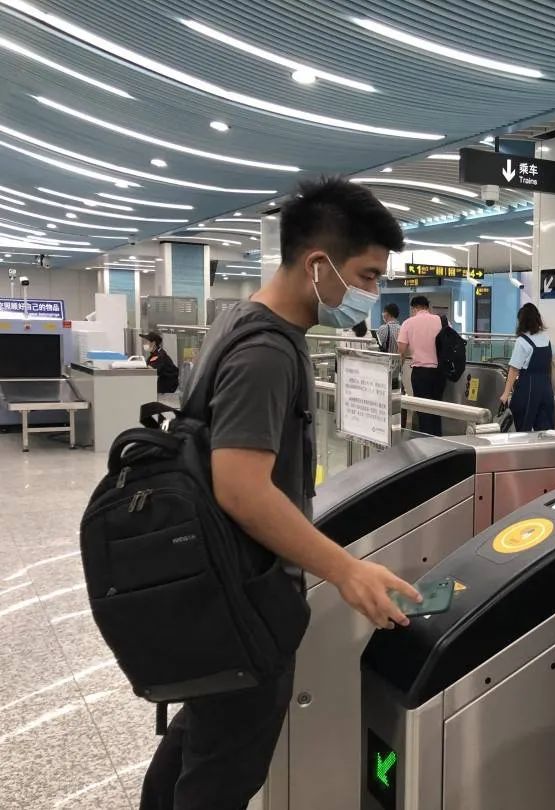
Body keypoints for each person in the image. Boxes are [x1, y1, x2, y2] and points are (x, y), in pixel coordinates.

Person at [140, 176, 421, 810]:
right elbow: (241, 489)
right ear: (319, 265)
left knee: (197, 749)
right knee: (220, 777)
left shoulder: (237, 321)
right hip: (245, 599)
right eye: (367, 276)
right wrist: (345, 569)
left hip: (217, 588)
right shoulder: (268, 349)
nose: (371, 293)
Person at [499, 303, 555, 431]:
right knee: (545, 432)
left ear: (522, 321)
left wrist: (505, 394)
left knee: (521, 430)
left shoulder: (522, 342)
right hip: (546, 390)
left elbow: (514, 369)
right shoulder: (546, 339)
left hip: (528, 389)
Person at [397, 295, 444, 436]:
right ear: (427, 307)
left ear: (414, 308)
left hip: (421, 373)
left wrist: (398, 370)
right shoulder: (442, 321)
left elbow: (401, 350)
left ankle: (426, 441)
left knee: (423, 411)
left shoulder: (408, 323)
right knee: (438, 408)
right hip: (440, 373)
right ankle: (438, 441)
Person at [140, 330, 179, 394]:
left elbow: (151, 369)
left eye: (146, 342)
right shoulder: (154, 354)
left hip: (167, 386)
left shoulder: (160, 355)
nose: (144, 344)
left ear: (153, 343)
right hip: (163, 383)